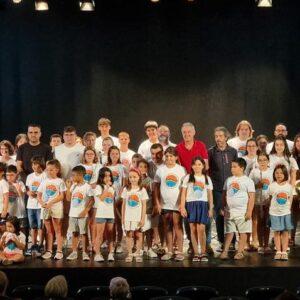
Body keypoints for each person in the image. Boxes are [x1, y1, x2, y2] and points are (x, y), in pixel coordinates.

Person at [207, 127, 237, 250]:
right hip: (217, 188)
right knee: (220, 215)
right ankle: (221, 241)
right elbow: (208, 169)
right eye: (216, 136)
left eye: (220, 136)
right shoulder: (211, 152)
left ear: (226, 137)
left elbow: (236, 168)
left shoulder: (233, 151)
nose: (218, 138)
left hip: (231, 188)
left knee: (231, 215)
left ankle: (232, 242)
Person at [154, 147, 186, 261]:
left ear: (176, 157)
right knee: (167, 227)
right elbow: (156, 188)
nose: (169, 158)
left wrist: (182, 204)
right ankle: (170, 251)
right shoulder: (160, 170)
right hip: (165, 204)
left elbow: (184, 188)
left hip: (177, 204)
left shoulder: (181, 170)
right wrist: (157, 203)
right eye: (166, 156)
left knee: (178, 226)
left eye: (171, 156)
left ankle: (180, 251)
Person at [220, 158, 255, 260]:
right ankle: (225, 251)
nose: (232, 169)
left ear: (242, 168)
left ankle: (240, 251)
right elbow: (224, 195)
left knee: (242, 232)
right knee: (229, 232)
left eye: (234, 167)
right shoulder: (229, 180)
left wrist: (249, 211)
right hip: (229, 212)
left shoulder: (248, 181)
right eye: (231, 166)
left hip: (242, 212)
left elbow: (251, 197)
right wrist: (223, 207)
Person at [180, 157, 213, 262]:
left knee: (201, 229)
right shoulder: (188, 177)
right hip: (191, 205)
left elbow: (210, 195)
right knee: (192, 229)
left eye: (199, 164)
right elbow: (183, 193)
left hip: (203, 205)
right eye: (195, 164)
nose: (197, 166)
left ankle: (203, 253)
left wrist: (210, 208)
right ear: (192, 166)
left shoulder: (207, 178)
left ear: (203, 166)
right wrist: (182, 206)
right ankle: (196, 253)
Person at [37, 159, 66, 260]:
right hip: (45, 207)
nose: (49, 172)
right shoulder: (44, 181)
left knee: (58, 229)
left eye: (52, 170)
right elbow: (39, 195)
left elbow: (62, 196)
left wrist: (51, 202)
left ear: (57, 170)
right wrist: (42, 203)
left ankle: (59, 251)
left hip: (56, 207)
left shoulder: (60, 181)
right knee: (49, 230)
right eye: (48, 170)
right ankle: (49, 250)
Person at [66, 165, 94, 261]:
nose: (72, 177)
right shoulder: (73, 186)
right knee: (74, 233)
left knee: (84, 233)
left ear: (80, 175)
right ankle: (74, 252)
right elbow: (68, 199)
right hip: (73, 214)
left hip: (82, 215)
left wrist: (85, 211)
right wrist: (68, 187)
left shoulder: (87, 187)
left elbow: (92, 200)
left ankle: (85, 252)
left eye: (74, 175)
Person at [249, 152, 273, 253]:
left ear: (268, 161)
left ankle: (266, 244)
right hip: (257, 202)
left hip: (268, 201)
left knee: (267, 223)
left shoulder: (272, 172)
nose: (262, 162)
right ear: (257, 161)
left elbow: (275, 186)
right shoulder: (254, 172)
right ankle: (260, 244)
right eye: (260, 160)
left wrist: (271, 199)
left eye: (264, 160)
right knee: (259, 223)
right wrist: (257, 185)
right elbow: (249, 187)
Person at [268, 164, 294, 260]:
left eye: (281, 173)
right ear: (274, 174)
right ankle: (278, 251)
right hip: (274, 213)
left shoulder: (289, 186)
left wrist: (288, 209)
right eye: (277, 173)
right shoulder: (272, 186)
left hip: (285, 213)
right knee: (277, 232)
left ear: (285, 174)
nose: (279, 175)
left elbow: (290, 198)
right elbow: (270, 198)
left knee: (285, 232)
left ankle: (284, 251)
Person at [121, 168, 147, 263]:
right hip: (128, 216)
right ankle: (130, 253)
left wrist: (143, 218)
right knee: (129, 234)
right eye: (130, 177)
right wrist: (122, 218)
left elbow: (144, 205)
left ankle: (138, 253)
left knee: (139, 235)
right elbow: (123, 205)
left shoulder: (142, 190)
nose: (132, 179)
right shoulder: (126, 189)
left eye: (134, 177)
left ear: (139, 177)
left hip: (138, 216)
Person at [106, 146, 126, 253]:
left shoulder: (122, 167)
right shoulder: (105, 167)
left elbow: (124, 183)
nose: (114, 155)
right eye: (112, 153)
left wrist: (121, 196)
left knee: (118, 221)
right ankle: (111, 242)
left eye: (116, 153)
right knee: (111, 222)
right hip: (108, 198)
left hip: (118, 197)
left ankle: (119, 243)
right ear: (109, 154)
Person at [93, 167, 115, 262]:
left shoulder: (112, 188)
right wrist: (107, 187)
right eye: (105, 176)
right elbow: (101, 198)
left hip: (110, 214)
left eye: (109, 176)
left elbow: (112, 202)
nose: (108, 178)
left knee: (110, 235)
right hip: (101, 214)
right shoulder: (99, 187)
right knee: (100, 235)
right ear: (101, 177)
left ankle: (111, 253)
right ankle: (97, 254)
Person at [137, 159, 159, 258]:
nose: (142, 168)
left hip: (148, 209)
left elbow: (153, 195)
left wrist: (154, 206)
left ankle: (149, 248)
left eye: (145, 167)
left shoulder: (150, 181)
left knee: (148, 231)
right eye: (140, 166)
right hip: (137, 210)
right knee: (139, 231)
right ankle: (140, 249)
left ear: (148, 168)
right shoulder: (133, 180)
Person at [25, 156, 46, 256]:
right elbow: (28, 189)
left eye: (36, 164)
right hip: (31, 205)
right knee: (33, 226)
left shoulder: (44, 176)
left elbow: (45, 190)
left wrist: (37, 194)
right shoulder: (29, 176)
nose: (34, 166)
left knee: (40, 226)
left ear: (41, 164)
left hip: (40, 205)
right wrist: (29, 193)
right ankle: (33, 244)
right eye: (33, 164)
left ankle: (40, 245)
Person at [5, 165, 27, 232]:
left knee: (22, 229)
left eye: (12, 175)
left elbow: (21, 194)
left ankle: (24, 241)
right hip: (10, 213)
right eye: (7, 175)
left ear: (16, 174)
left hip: (20, 213)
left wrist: (16, 187)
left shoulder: (20, 183)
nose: (9, 177)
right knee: (10, 230)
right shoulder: (4, 184)